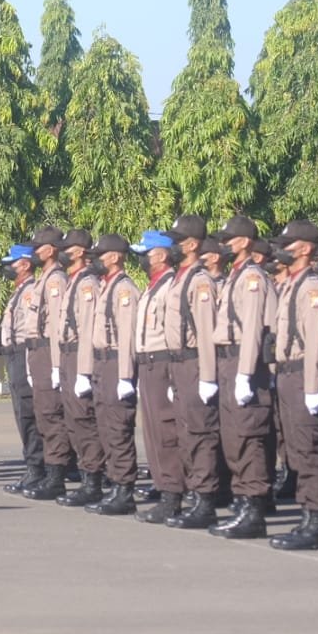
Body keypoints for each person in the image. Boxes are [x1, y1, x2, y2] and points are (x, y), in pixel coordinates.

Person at [203, 217, 275, 538]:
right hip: (228, 359)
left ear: (245, 241)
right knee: (234, 438)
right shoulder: (237, 276)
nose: (226, 244)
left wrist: (245, 372)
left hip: (245, 362)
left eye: (231, 239)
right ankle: (244, 503)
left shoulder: (252, 279)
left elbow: (252, 331)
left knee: (248, 436)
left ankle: (254, 510)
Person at [267, 220, 318, 551]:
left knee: (310, 450)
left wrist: (312, 387)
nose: (283, 249)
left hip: (302, 375)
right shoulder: (292, 285)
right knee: (297, 449)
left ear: (306, 249)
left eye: (289, 244)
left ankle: (317, 522)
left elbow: (314, 343)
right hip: (287, 373)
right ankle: (308, 517)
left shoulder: (310, 288)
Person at [160, 216, 222, 528]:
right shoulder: (179, 278)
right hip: (179, 364)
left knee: (200, 433)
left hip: (196, 363)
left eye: (177, 240)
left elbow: (207, 332)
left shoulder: (199, 281)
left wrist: (209, 377)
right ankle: (196, 495)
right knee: (185, 433)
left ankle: (205, 500)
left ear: (193, 244)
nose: (171, 245)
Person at [87, 234, 140, 515]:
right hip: (101, 363)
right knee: (106, 427)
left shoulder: (124, 290)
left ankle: (124, 489)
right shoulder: (106, 287)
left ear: (116, 257)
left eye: (102, 254)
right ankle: (115, 485)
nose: (96, 259)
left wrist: (125, 376)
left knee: (118, 428)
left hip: (115, 363)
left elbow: (128, 336)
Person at [132, 231, 182, 523]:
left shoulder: (170, 287)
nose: (141, 258)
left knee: (166, 432)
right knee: (152, 432)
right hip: (148, 363)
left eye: (145, 253)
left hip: (163, 362)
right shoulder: (153, 287)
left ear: (161, 255)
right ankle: (163, 486)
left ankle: (172, 494)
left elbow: (173, 334)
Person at [21, 226, 74, 501]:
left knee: (52, 416)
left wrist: (55, 365)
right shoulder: (44, 279)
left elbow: (54, 325)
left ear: (51, 250)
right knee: (43, 415)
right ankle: (50, 472)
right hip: (37, 353)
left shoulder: (55, 281)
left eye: (38, 248)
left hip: (47, 352)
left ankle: (56, 476)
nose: (34, 252)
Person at [56, 229, 105, 508]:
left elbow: (87, 330)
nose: (62, 252)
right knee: (74, 420)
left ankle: (93, 480)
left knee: (84, 420)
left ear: (79, 252)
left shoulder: (87, 283)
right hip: (67, 355)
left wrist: (84, 371)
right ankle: (88, 476)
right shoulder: (74, 281)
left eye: (67, 248)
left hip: (79, 356)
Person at [0, 244, 46, 493]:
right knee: (22, 413)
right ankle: (34, 467)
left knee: (29, 414)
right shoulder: (20, 291)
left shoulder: (30, 291)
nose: (8, 267)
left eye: (12, 263)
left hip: (24, 354)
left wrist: (28, 363)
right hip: (14, 355)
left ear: (25, 264)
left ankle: (37, 468)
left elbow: (29, 330)